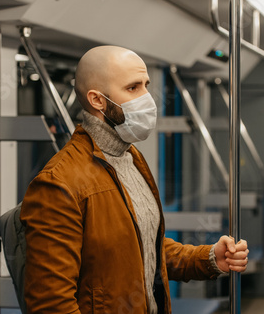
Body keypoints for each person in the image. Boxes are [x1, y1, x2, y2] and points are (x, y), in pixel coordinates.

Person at [20, 45, 249, 314]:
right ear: (97, 100)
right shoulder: (59, 183)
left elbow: (145, 249)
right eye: (133, 88)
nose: (147, 98)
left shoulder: (131, 159)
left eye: (145, 85)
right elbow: (51, 303)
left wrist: (209, 258)